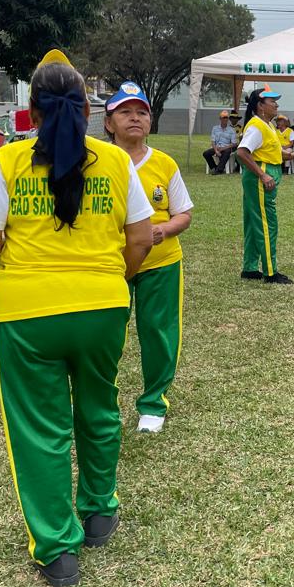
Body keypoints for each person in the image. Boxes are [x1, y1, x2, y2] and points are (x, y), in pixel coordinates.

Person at [0, 49, 153, 587]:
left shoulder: (8, 160)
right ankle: (99, 510)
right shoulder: (116, 162)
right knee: (99, 407)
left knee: (38, 429)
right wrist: (110, 278)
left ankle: (56, 548)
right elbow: (141, 238)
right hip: (103, 306)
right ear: (88, 109)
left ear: (33, 108)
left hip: (27, 313)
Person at [104, 81, 193, 434]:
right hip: (111, 264)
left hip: (160, 263)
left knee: (158, 331)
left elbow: (183, 213)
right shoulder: (96, 160)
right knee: (106, 335)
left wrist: (164, 230)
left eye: (141, 112)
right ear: (108, 122)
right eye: (125, 112)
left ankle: (154, 403)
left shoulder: (164, 164)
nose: (135, 118)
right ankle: (103, 401)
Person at [236, 87, 294, 284]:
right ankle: (271, 272)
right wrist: (262, 175)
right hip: (260, 179)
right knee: (267, 224)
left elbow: (270, 150)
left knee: (254, 222)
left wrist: (291, 155)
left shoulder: (267, 125)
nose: (276, 105)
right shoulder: (256, 126)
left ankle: (250, 268)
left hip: (262, 177)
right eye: (272, 101)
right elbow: (242, 152)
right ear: (260, 106)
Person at [203, 110, 238, 174]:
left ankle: (219, 170)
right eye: (224, 117)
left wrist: (223, 148)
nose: (225, 119)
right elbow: (213, 141)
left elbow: (234, 144)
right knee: (206, 153)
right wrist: (216, 150)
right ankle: (215, 167)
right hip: (217, 147)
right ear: (220, 118)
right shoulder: (215, 128)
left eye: (226, 118)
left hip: (226, 147)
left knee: (227, 152)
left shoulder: (231, 130)